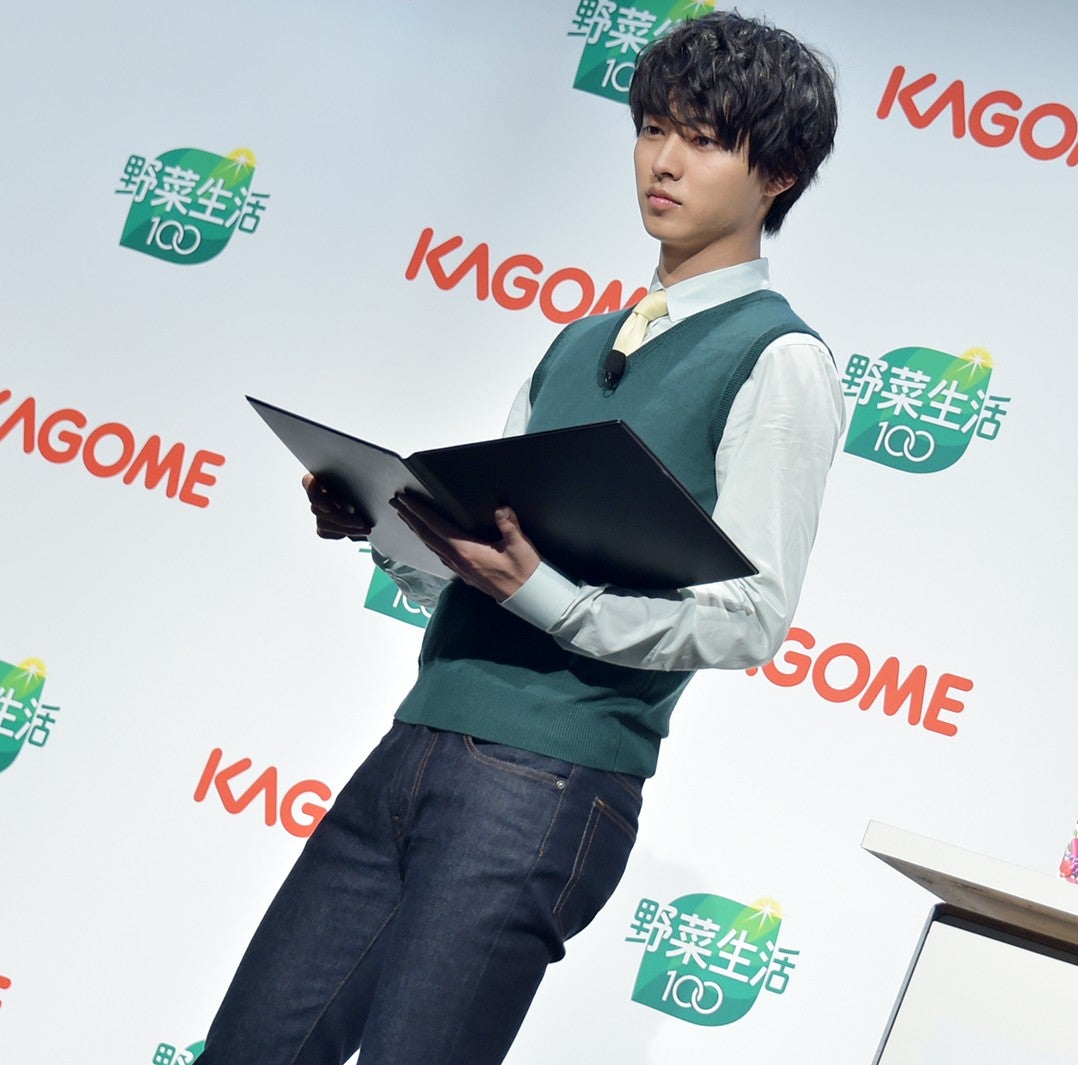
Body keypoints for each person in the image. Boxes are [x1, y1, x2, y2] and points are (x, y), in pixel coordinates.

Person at [201, 12, 841, 1064]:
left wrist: (550, 595)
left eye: (704, 140)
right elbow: (479, 559)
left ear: (779, 174)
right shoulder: (576, 342)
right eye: (652, 128)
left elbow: (750, 619)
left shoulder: (779, 359)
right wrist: (385, 527)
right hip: (417, 739)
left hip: (548, 781)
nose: (663, 162)